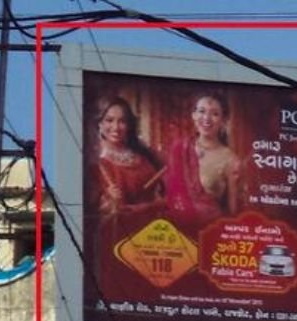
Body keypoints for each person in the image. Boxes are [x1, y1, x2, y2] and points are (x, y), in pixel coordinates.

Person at [163, 90, 245, 229]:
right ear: (193, 115)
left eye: (214, 114)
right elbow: (168, 196)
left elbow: (233, 212)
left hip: (208, 232)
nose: (206, 118)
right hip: (174, 235)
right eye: (201, 111)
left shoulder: (230, 160)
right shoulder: (179, 148)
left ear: (223, 120)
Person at [87, 96, 163, 226]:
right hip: (119, 235)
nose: (116, 127)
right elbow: (91, 215)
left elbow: (164, 192)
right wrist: (110, 203)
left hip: (153, 230)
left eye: (122, 121)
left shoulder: (144, 155)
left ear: (129, 126)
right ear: (100, 124)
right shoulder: (94, 163)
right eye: (109, 120)